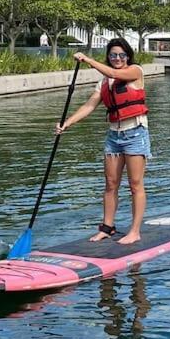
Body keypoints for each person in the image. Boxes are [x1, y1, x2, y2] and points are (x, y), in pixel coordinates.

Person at [56, 38, 150, 244]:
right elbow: (89, 106)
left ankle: (135, 231)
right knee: (110, 184)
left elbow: (115, 73)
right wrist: (67, 123)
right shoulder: (103, 83)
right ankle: (107, 227)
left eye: (121, 55)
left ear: (128, 56)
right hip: (114, 137)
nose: (117, 59)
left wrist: (88, 60)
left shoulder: (135, 71)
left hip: (135, 134)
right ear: (108, 56)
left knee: (135, 184)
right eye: (113, 55)